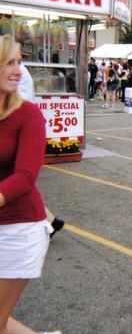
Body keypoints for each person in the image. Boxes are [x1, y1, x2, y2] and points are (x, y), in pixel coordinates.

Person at [0, 35, 62, 334]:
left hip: (19, 230)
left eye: (19, 62)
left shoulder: (29, 116)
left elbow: (25, 178)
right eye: (10, 62)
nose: (18, 71)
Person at [17, 62, 65, 239]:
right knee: (22, 184)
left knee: (22, 183)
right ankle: (50, 222)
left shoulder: (13, 69)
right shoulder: (17, 67)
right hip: (20, 128)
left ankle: (49, 223)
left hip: (22, 129)